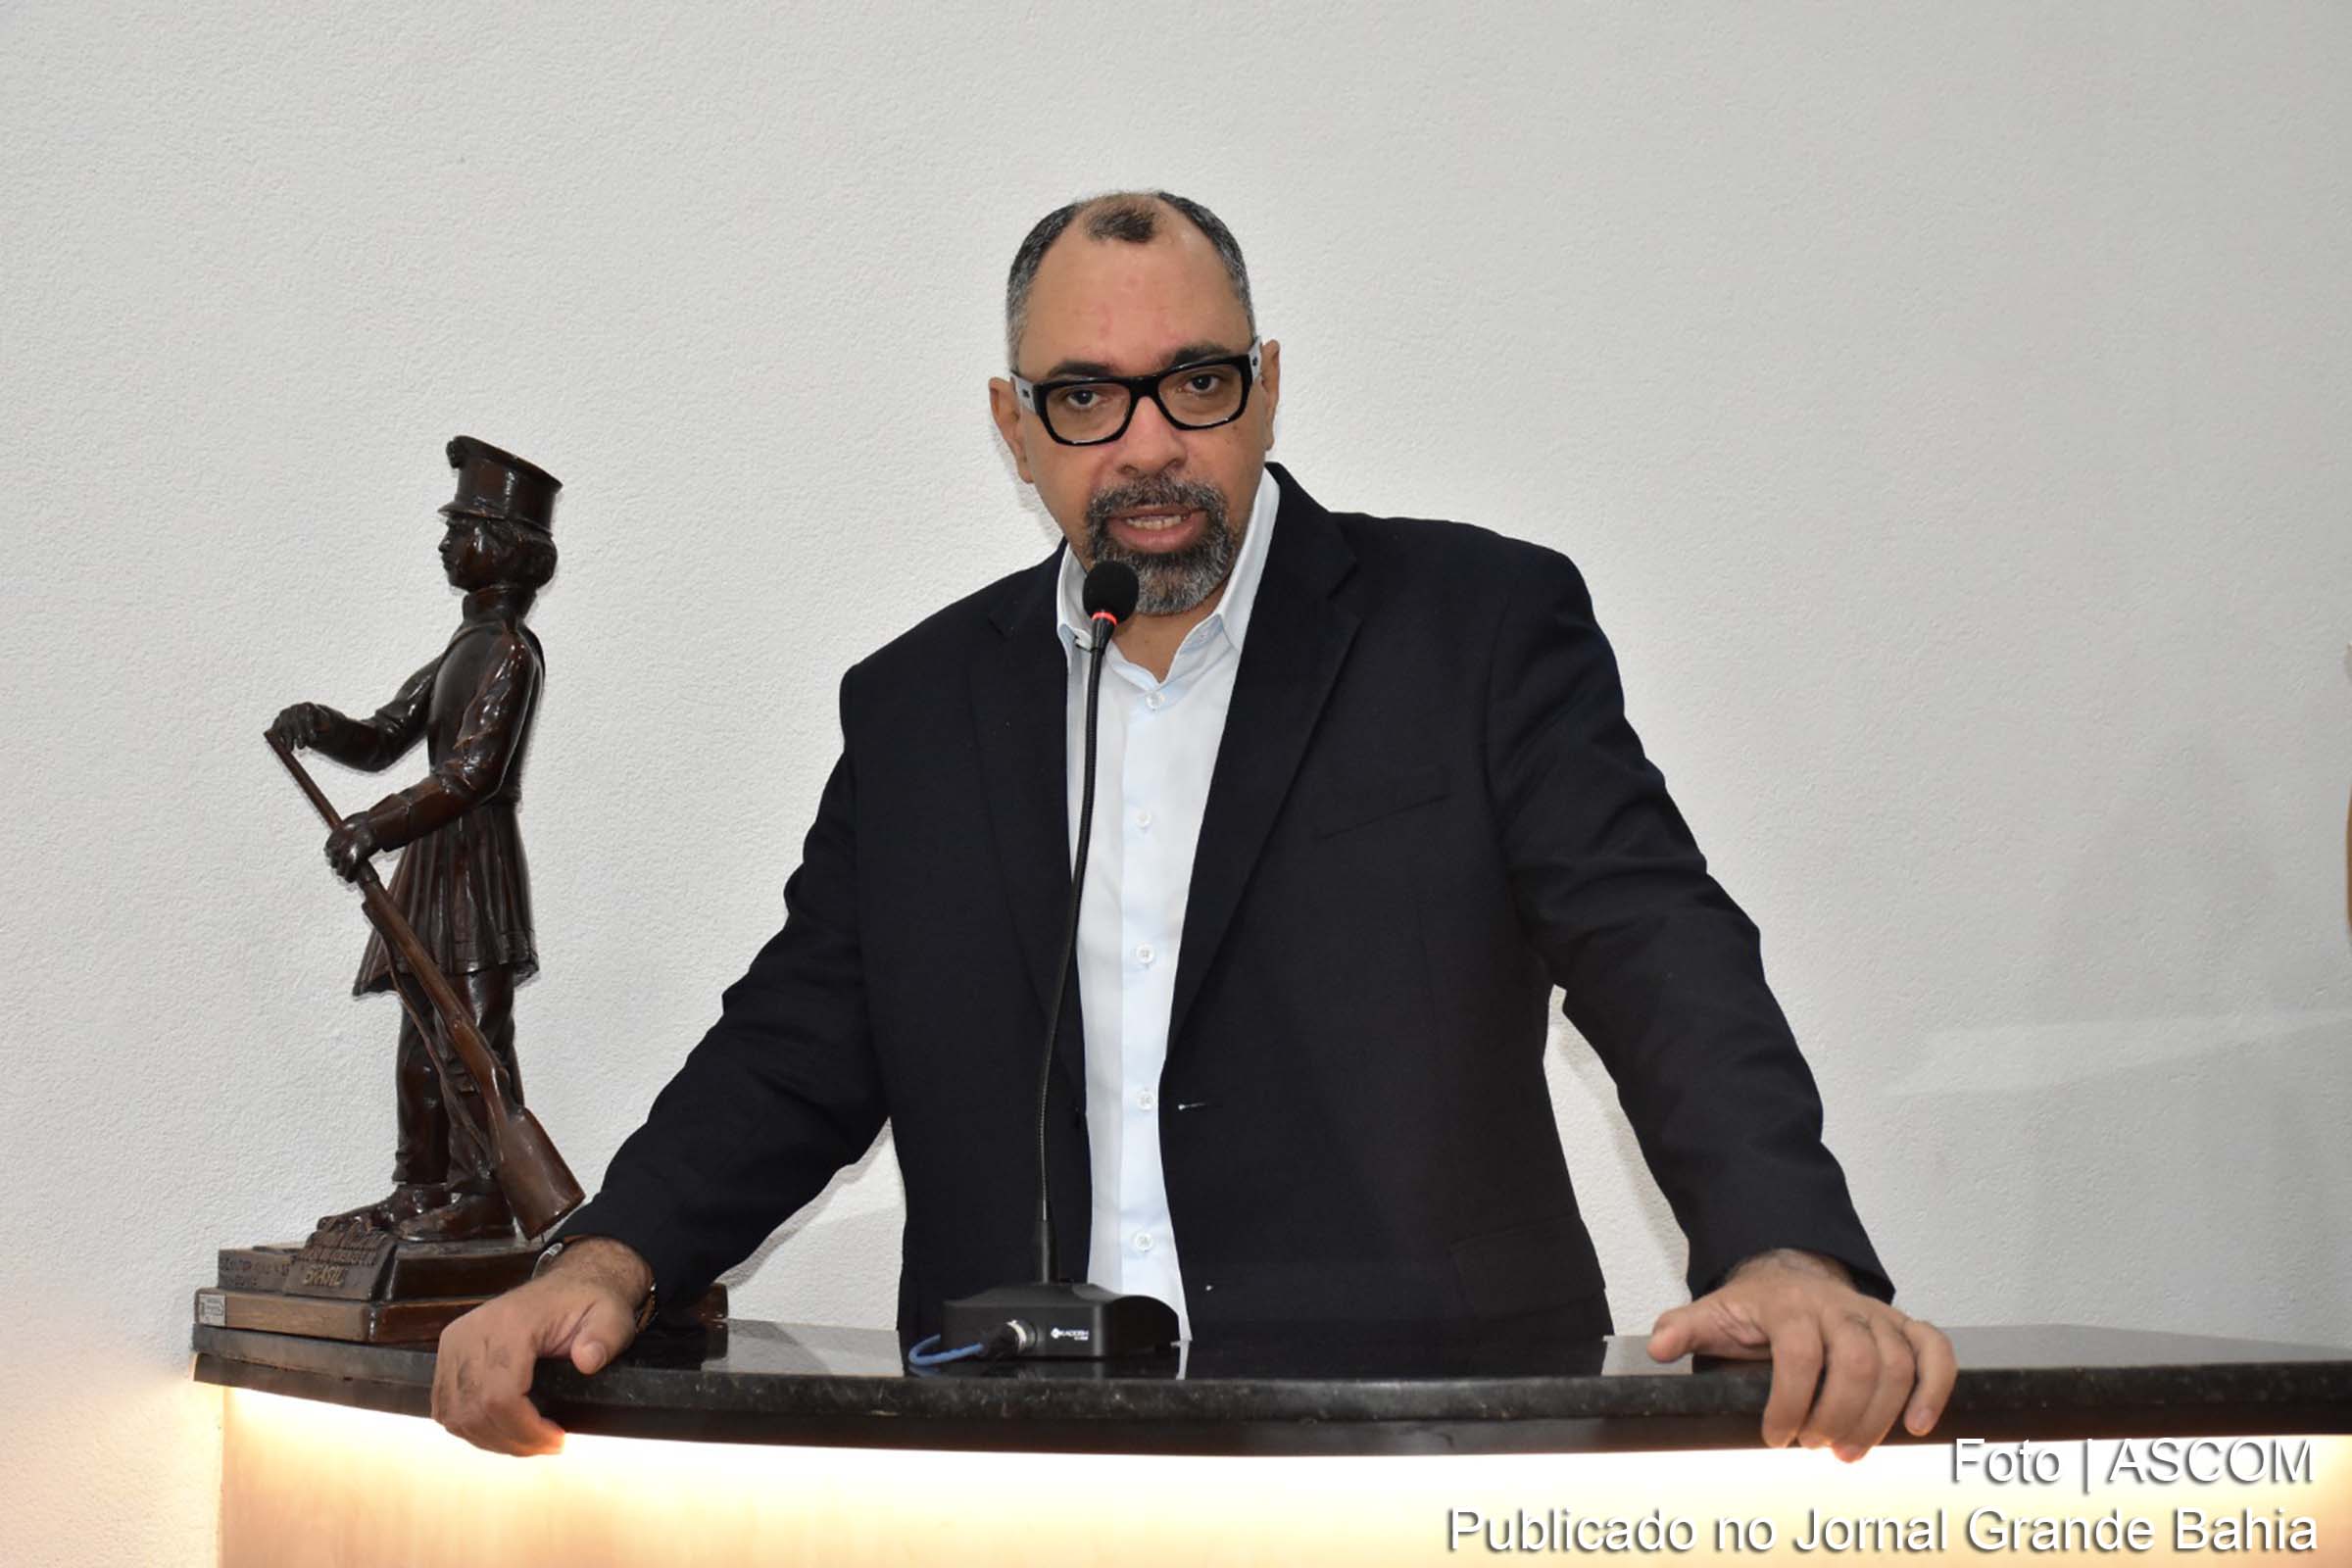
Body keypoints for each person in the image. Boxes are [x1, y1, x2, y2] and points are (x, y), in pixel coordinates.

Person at [431, 193, 1955, 1458]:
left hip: (1420, 1446)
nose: (1148, 443)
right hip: (1020, 1460)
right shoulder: (917, 709)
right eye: (1086, 396)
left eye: (1197, 382)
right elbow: (796, 1044)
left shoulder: (1474, 629)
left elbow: (1655, 942)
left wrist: (1784, 1252)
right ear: (1014, 429)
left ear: (1268, 385)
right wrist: (606, 1263)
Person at [269, 436, 559, 1244]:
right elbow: (384, 735)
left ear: (498, 548)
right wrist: (320, 727)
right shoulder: (460, 650)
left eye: (459, 527)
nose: (444, 542)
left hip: (475, 870)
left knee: (472, 1041)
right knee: (422, 1045)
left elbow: (473, 775)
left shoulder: (509, 651)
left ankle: (485, 1191)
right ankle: (420, 1185)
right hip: (436, 863)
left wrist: (374, 825)